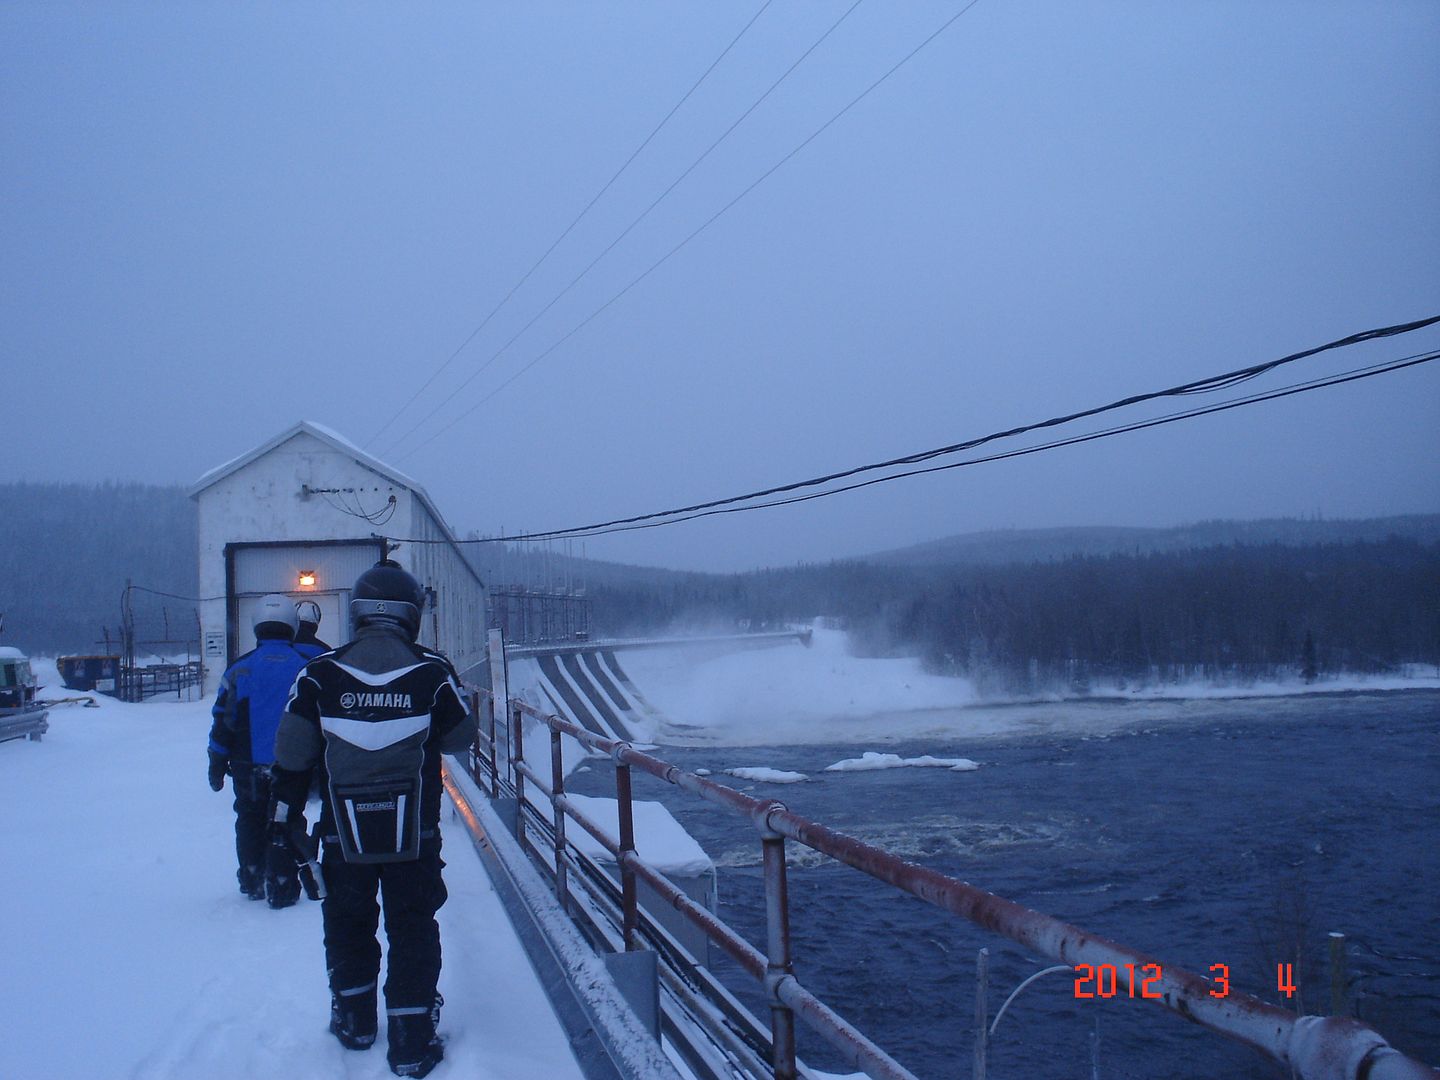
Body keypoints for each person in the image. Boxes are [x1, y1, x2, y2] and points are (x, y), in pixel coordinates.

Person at [271, 560, 473, 1078]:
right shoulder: (432, 672)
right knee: (413, 927)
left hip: (343, 837)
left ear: (357, 612)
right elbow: (459, 738)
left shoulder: (318, 674)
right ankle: (411, 1041)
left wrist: (282, 823)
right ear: (412, 615)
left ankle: (355, 1020)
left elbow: (292, 757)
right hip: (415, 836)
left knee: (347, 924)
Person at [207, 593, 312, 907]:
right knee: (288, 818)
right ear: (292, 625)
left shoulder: (240, 670)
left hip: (246, 765)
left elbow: (223, 718)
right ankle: (283, 880)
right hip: (292, 765)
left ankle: (252, 875)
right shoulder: (306, 668)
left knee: (249, 818)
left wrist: (216, 758)